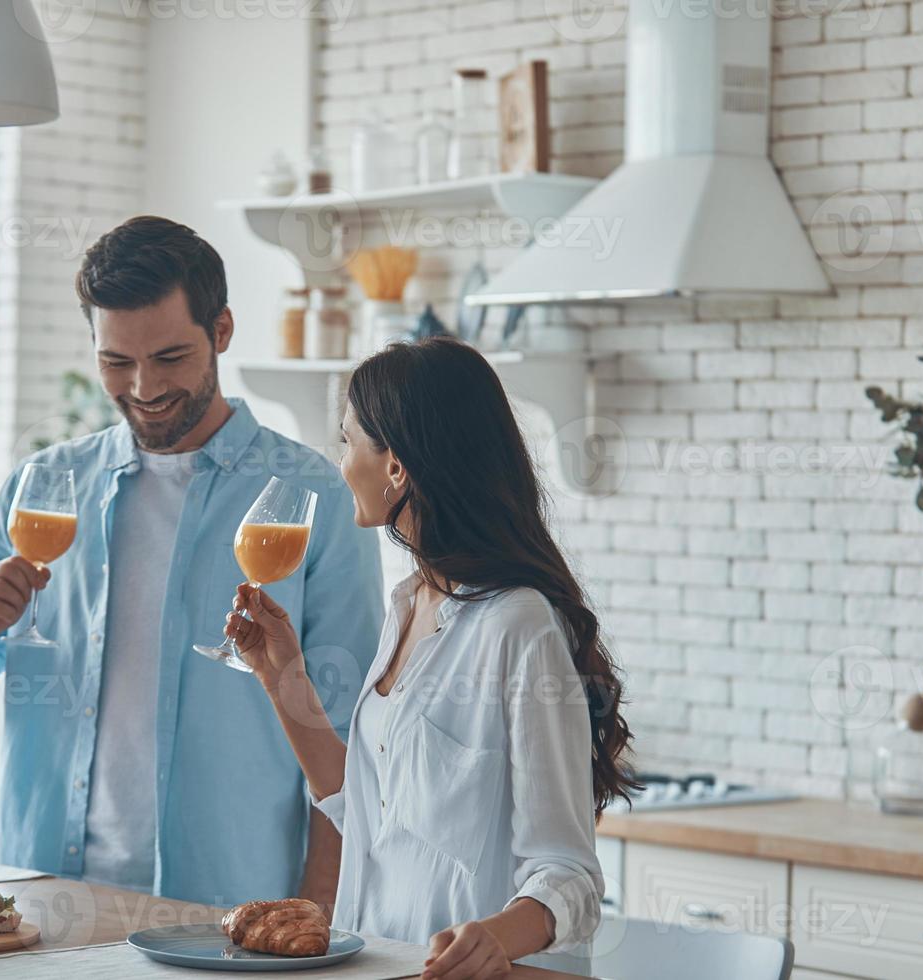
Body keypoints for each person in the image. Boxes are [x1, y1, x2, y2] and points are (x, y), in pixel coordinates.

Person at [0, 215, 383, 909]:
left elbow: (349, 731)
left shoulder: (310, 493)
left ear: (220, 332)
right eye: (115, 362)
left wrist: (317, 909)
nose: (143, 387)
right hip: (37, 895)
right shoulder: (46, 484)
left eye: (168, 358)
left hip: (227, 906)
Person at [223, 336, 639, 979]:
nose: (341, 465)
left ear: (396, 465)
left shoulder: (516, 624)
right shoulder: (406, 605)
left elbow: (571, 878)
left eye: (347, 442)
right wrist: (282, 679)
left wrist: (495, 938)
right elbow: (362, 809)